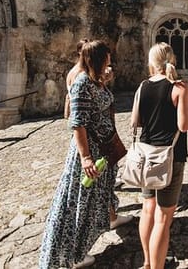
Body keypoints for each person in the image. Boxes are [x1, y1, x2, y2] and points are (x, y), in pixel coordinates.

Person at [39, 40, 122, 268]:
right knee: (77, 203)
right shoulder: (82, 83)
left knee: (94, 202)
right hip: (89, 154)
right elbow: (78, 124)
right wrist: (85, 158)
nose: (110, 60)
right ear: (97, 59)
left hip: (102, 150)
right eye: (107, 57)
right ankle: (68, 256)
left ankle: (80, 249)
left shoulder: (95, 80)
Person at [137, 42, 188, 269]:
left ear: (151, 61)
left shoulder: (142, 87)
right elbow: (183, 125)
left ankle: (147, 262)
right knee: (163, 217)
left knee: (147, 209)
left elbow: (137, 121)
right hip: (171, 156)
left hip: (146, 155)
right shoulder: (180, 87)